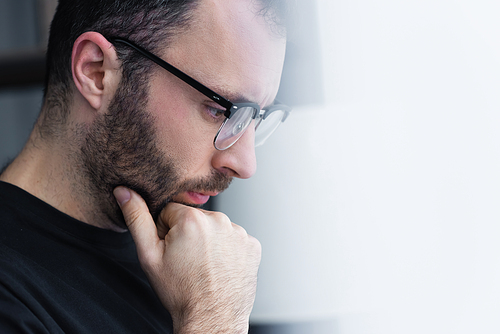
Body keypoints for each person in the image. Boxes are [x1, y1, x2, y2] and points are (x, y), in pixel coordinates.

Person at [0, 0, 291, 333]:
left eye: (256, 117)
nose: (245, 164)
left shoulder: (195, 257)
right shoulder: (13, 300)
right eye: (219, 110)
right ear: (97, 73)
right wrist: (214, 319)